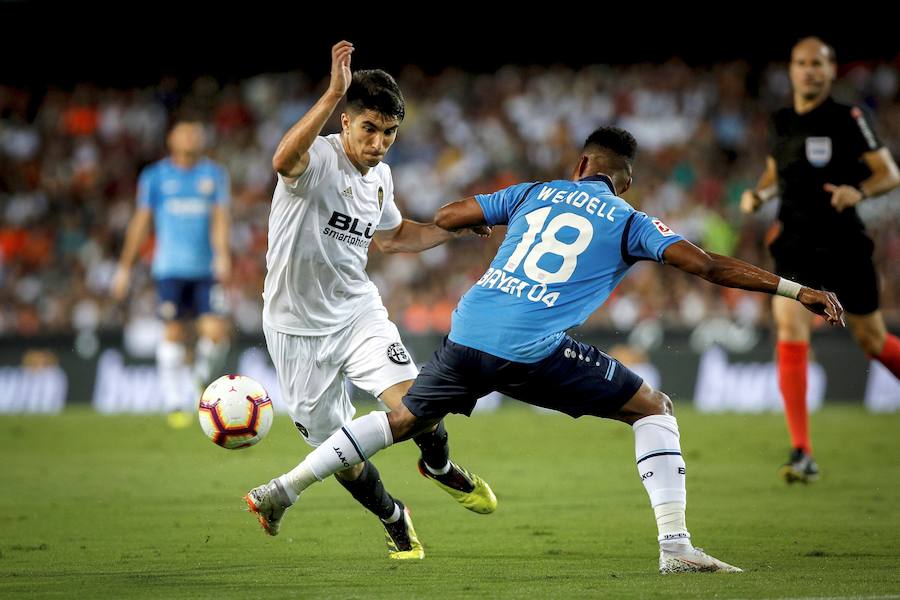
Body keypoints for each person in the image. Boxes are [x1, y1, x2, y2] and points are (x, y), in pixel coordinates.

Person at [246, 125, 844, 574]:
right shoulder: (632, 220)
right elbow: (709, 267)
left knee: (402, 418)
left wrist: (480, 220)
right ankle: (675, 546)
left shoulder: (537, 190)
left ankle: (286, 488)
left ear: (581, 163)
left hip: (469, 331)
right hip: (529, 349)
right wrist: (796, 289)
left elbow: (453, 214)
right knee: (654, 407)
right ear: (624, 180)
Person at [243, 41, 496, 561]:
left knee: (415, 406)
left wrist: (456, 232)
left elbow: (395, 235)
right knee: (339, 455)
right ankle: (393, 516)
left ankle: (441, 467)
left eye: (390, 133)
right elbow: (281, 158)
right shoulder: (316, 162)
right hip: (294, 330)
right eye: (370, 129)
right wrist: (332, 91)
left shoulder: (380, 179)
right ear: (345, 123)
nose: (379, 143)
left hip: (357, 313)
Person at [740, 37, 900, 483]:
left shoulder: (850, 117)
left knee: (872, 341)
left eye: (818, 64)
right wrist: (760, 193)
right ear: (791, 70)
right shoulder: (780, 120)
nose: (809, 71)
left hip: (846, 245)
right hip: (794, 246)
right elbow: (776, 173)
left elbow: (890, 173)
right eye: (802, 63)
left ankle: (802, 451)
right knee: (790, 327)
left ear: (831, 72)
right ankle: (802, 452)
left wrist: (859, 191)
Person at [112, 119, 232, 429]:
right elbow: (141, 224)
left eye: (196, 131)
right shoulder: (155, 176)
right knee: (174, 333)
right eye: (186, 132)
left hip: (205, 270)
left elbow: (220, 219)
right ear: (171, 139)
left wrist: (222, 255)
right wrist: (124, 268)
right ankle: (173, 401)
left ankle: (198, 383)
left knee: (216, 335)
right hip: (169, 269)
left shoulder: (213, 175)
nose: (192, 136)